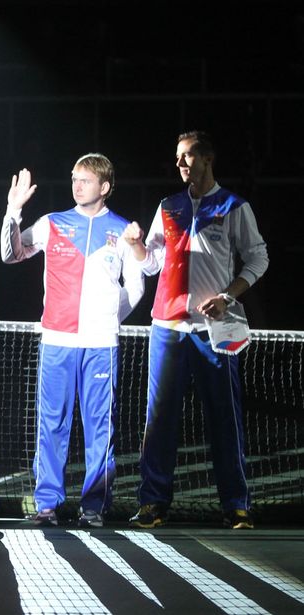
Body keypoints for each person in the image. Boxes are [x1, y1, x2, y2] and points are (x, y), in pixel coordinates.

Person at [123, 130, 269, 530]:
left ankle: (236, 505)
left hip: (214, 330)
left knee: (225, 417)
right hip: (167, 327)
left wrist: (227, 295)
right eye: (177, 158)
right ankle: (153, 503)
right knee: (159, 419)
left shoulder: (234, 206)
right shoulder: (168, 206)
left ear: (207, 158)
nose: (180, 164)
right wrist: (136, 246)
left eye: (187, 157)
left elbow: (258, 259)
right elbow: (150, 263)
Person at [1, 153, 144, 528]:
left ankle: (94, 507)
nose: (77, 184)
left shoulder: (123, 230)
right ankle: (47, 504)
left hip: (101, 345)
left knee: (100, 427)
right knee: (51, 423)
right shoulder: (52, 224)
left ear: (105, 187)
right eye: (74, 178)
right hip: (57, 340)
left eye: (86, 179)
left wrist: (108, 319)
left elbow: (138, 286)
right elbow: (11, 254)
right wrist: (12, 212)